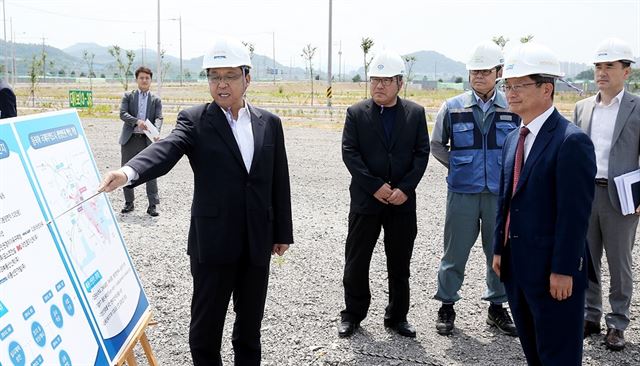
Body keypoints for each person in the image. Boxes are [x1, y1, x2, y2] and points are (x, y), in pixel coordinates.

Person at [99, 37, 293, 365]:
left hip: (256, 241)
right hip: (213, 243)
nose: (221, 84)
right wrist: (129, 172)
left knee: (250, 327)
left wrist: (282, 232)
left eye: (230, 75)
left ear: (248, 78)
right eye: (213, 76)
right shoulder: (195, 120)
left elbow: (278, 180)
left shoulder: (269, 123)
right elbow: (167, 149)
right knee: (205, 329)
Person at [492, 43, 596, 365]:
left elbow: (574, 215)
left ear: (547, 89)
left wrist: (564, 269)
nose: (511, 93)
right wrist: (499, 248)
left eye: (519, 85)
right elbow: (506, 199)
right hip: (517, 266)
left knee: (559, 355)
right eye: (507, 86)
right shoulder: (514, 137)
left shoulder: (570, 141)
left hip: (553, 274)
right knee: (534, 352)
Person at [338, 50, 430, 338]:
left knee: (400, 263)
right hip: (367, 201)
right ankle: (352, 314)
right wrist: (374, 185)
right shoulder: (356, 113)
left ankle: (397, 316)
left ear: (399, 83)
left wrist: (405, 188)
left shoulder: (415, 113)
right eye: (375, 80)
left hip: (402, 203)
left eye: (386, 80)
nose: (379, 85)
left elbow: (421, 153)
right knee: (356, 260)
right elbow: (350, 153)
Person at [431, 41, 519, 337]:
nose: (479, 76)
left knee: (499, 252)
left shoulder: (512, 107)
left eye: (485, 71)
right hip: (462, 193)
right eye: (474, 71)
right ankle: (446, 304)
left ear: (499, 72)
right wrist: (458, 166)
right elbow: (436, 145)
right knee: (454, 252)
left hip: (499, 193)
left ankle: (496, 307)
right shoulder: (452, 107)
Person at [574, 37, 640, 351]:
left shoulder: (637, 107)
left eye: (609, 66)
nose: (602, 72)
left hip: (622, 198)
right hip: (586, 195)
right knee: (586, 259)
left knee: (620, 263)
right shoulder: (582, 107)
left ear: (626, 71)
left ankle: (617, 323)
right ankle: (590, 316)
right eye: (598, 66)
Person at [118, 66, 163, 216]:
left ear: (151, 80)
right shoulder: (128, 96)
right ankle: (129, 203)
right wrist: (137, 121)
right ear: (137, 80)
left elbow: (159, 117)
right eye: (141, 78)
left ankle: (152, 205)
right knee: (126, 171)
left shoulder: (156, 100)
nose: (144, 80)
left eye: (147, 78)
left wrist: (155, 131)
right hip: (130, 139)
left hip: (147, 141)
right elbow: (123, 114)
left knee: (150, 172)